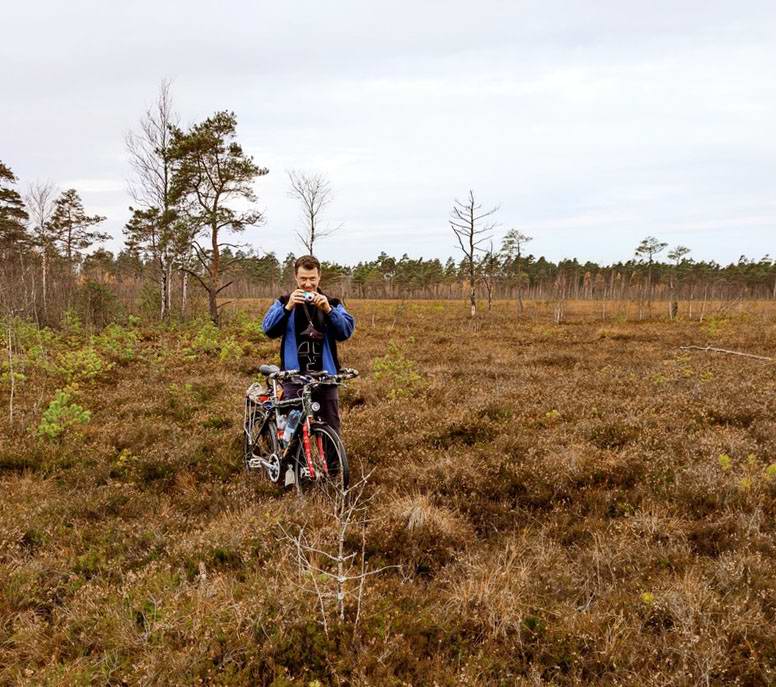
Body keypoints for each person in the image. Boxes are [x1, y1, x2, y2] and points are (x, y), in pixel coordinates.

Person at [261, 255, 355, 434]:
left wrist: (329, 310)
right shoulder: (284, 301)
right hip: (294, 379)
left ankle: (333, 463)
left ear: (319, 277)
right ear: (296, 277)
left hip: (326, 379)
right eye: (303, 279)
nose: (308, 284)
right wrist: (287, 308)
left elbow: (345, 332)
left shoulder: (332, 302)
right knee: (292, 434)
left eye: (312, 279)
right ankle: (291, 461)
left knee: (331, 432)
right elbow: (268, 329)